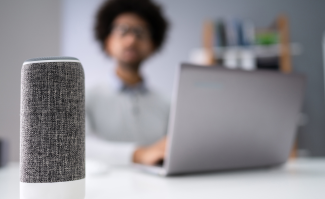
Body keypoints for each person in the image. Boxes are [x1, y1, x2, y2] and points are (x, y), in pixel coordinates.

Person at [86, 0, 169, 166]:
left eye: (140, 32)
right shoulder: (85, 97)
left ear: (153, 44)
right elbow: (76, 147)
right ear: (106, 41)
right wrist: (140, 155)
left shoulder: (167, 103)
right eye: (122, 30)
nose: (131, 40)